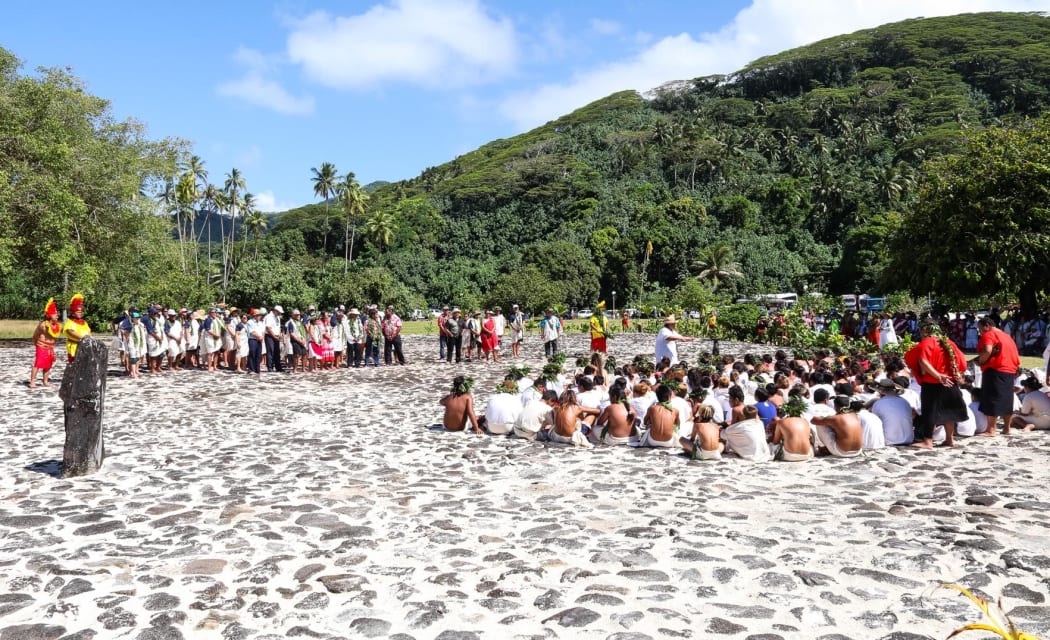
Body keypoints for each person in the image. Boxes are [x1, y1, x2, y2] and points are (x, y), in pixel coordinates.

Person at [905, 318, 967, 448]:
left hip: (933, 382)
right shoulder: (949, 343)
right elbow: (962, 361)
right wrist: (956, 375)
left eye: (921, 329)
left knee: (930, 412)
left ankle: (928, 441)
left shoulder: (927, 342)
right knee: (948, 411)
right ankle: (949, 439)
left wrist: (938, 376)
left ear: (925, 329)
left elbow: (922, 361)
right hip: (950, 382)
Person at [973, 316, 1021, 437]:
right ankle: (1006, 428)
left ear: (986, 326)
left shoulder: (989, 334)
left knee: (992, 397)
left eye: (980, 329)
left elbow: (988, 350)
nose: (980, 332)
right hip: (1009, 369)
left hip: (995, 369)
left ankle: (991, 429)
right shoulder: (1007, 337)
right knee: (1007, 398)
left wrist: (981, 361)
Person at [871, 378, 915, 445]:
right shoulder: (905, 401)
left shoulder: (878, 403)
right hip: (909, 438)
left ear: (880, 392)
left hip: (889, 440)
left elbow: (874, 422)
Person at [30, 298, 61, 387]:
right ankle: (32, 381)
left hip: (50, 347)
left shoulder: (56, 325)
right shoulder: (43, 325)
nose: (57, 316)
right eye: (55, 314)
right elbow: (35, 335)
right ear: (49, 315)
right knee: (38, 363)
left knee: (48, 364)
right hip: (42, 346)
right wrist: (37, 344)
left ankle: (45, 381)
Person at [771, 395, 813, 462]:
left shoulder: (782, 422)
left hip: (790, 455)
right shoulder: (805, 421)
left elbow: (776, 442)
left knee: (771, 446)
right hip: (807, 454)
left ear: (787, 409)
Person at [62, 293, 91, 363]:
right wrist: (83, 338)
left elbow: (89, 332)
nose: (80, 313)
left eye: (81, 312)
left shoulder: (84, 322)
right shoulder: (70, 322)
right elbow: (70, 331)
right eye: (78, 312)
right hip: (74, 347)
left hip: (84, 346)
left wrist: (90, 339)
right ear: (73, 312)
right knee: (74, 365)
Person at [124, 311, 147, 378]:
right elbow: (125, 332)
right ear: (133, 318)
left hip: (139, 343)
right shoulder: (130, 325)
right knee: (133, 358)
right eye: (136, 318)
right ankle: (133, 373)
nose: (137, 319)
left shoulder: (140, 325)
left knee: (138, 357)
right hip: (132, 343)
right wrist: (127, 339)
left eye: (138, 318)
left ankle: (136, 370)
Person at [201, 307, 225, 371]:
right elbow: (208, 330)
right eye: (212, 312)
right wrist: (215, 335)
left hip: (217, 338)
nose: (214, 313)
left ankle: (215, 366)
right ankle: (209, 367)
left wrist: (219, 334)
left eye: (215, 312)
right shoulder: (208, 320)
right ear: (209, 313)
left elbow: (221, 327)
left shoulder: (217, 320)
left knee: (216, 352)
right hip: (210, 338)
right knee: (210, 352)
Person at [264, 305, 284, 372]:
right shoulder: (269, 317)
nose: (280, 313)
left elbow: (278, 327)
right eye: (279, 312)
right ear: (276, 311)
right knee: (270, 351)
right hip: (270, 336)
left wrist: (279, 334)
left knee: (277, 352)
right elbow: (268, 328)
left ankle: (278, 367)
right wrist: (274, 336)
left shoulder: (277, 317)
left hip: (276, 336)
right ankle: (270, 367)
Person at [246, 308, 265, 375]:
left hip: (259, 340)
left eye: (259, 315)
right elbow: (252, 332)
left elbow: (262, 331)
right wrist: (259, 337)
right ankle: (251, 369)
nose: (259, 316)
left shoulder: (261, 323)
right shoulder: (250, 322)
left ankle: (257, 369)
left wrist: (262, 337)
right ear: (254, 316)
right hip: (253, 339)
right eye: (258, 315)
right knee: (252, 354)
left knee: (258, 355)